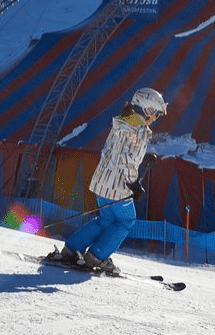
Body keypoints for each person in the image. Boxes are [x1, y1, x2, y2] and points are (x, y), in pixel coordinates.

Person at [57, 88, 166, 274]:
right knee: (126, 220)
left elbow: (118, 151)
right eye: (155, 113)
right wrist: (134, 184)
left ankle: (71, 250)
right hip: (118, 186)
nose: (155, 118)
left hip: (102, 181)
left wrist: (143, 157)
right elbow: (127, 159)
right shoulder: (139, 131)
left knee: (106, 219)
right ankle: (97, 257)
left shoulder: (124, 121)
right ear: (146, 110)